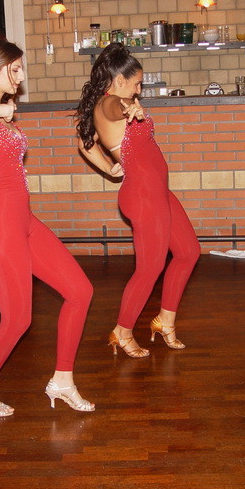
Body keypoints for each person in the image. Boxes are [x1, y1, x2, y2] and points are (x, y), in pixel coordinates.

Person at [0, 27, 94, 416]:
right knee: (17, 320)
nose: (21, 76)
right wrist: (0, 109)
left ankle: (62, 380)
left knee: (80, 292)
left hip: (24, 222)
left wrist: (4, 112)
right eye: (14, 69)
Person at [75, 43, 199, 358]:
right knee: (150, 268)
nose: (139, 90)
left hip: (156, 191)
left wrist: (109, 168)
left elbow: (84, 143)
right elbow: (114, 109)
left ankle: (165, 321)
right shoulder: (111, 103)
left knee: (188, 252)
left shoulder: (112, 103)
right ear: (119, 81)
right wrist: (128, 109)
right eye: (136, 83)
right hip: (144, 195)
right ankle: (122, 330)